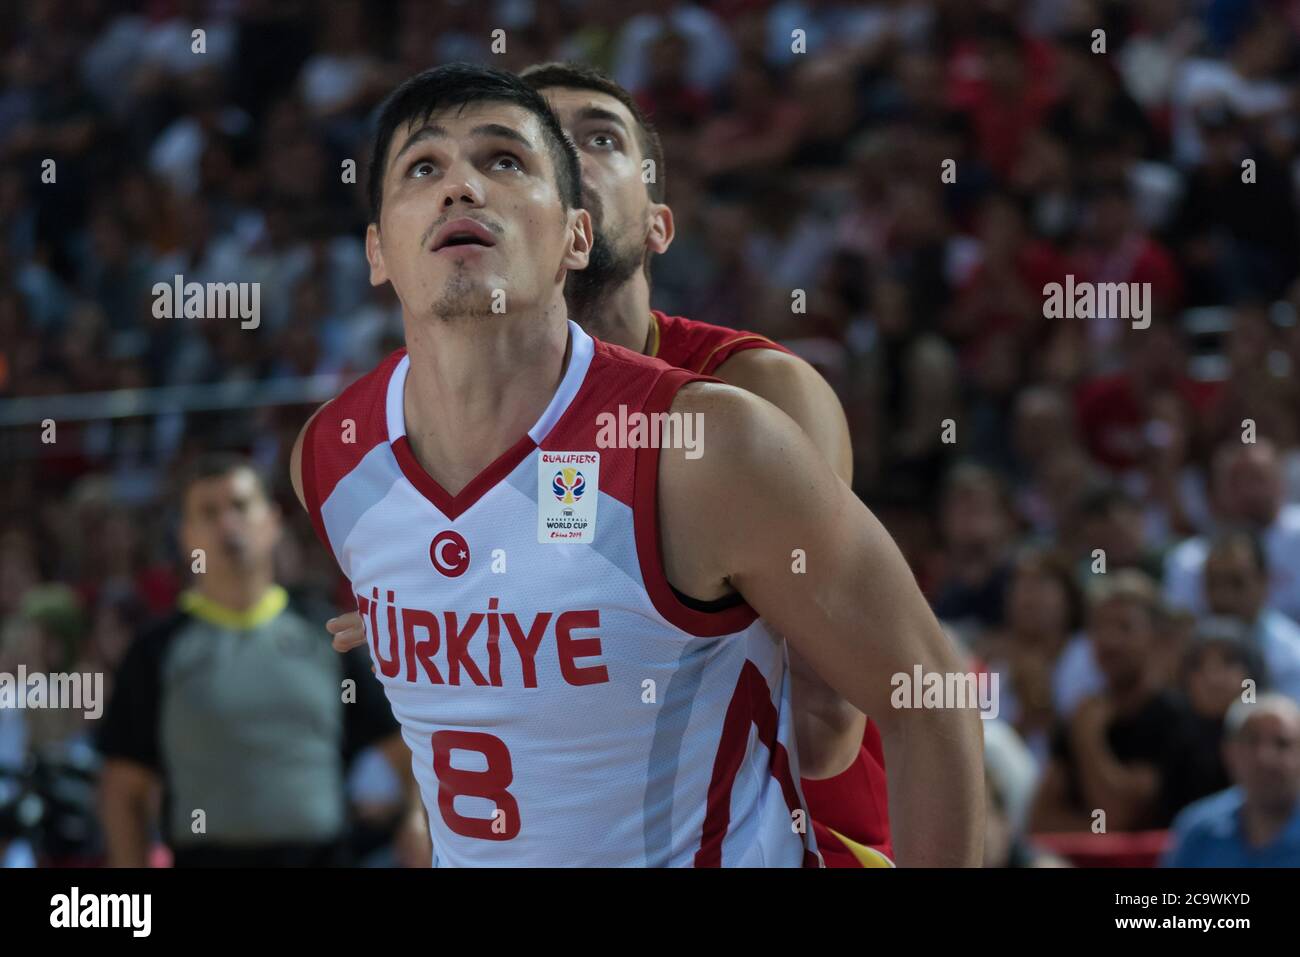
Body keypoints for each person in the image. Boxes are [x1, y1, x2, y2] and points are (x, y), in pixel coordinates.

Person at [292, 64, 982, 867]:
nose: (463, 188)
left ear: (579, 230)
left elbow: (843, 723)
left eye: (510, 159)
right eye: (425, 166)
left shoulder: (731, 416)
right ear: (375, 250)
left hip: (817, 817)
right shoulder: (335, 459)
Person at [97, 454, 423, 867]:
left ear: (272, 521)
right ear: (186, 536)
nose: (227, 524)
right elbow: (124, 788)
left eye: (239, 506)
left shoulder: (328, 635)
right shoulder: (155, 652)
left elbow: (406, 747)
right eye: (208, 512)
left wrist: (414, 823)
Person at [1028, 570, 1217, 833]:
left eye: (1124, 627)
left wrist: (1088, 740)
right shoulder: (1080, 714)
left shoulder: (1176, 719)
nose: (1109, 640)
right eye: (1099, 627)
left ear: (1155, 636)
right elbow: (1038, 822)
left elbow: (1117, 816)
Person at [1162, 695, 1300, 867]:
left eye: (1282, 743)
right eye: (1252, 741)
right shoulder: (1199, 831)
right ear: (1229, 753)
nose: (1265, 758)